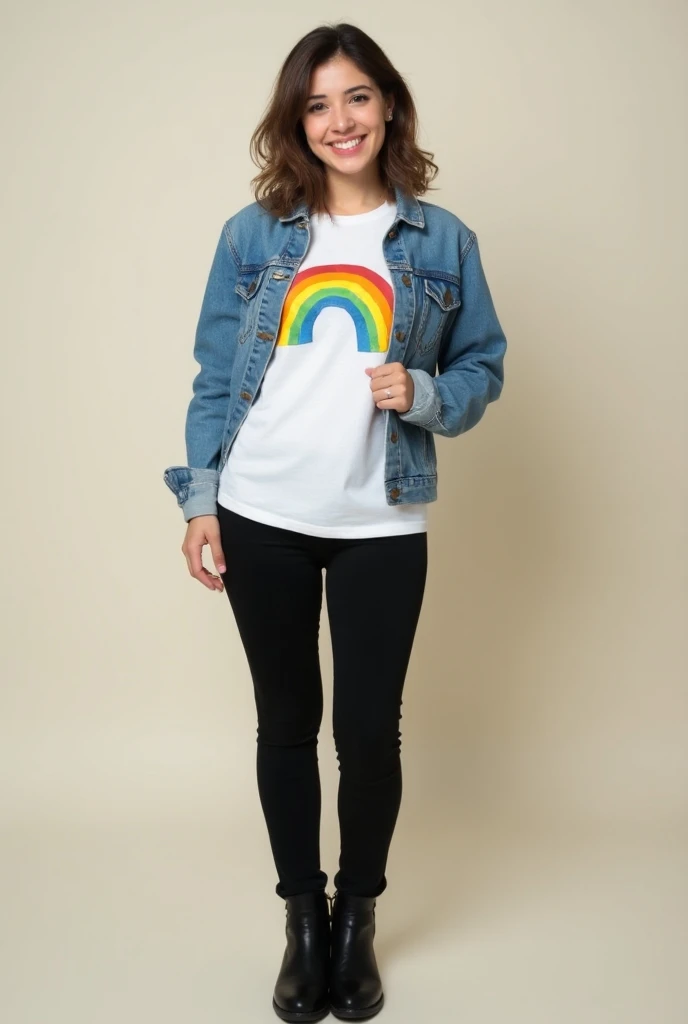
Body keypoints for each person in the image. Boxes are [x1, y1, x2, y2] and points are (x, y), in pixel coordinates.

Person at [163, 21, 507, 1023]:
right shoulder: (252, 233)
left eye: (355, 96)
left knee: (367, 730)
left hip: (380, 518)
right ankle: (300, 924)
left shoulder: (442, 241)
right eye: (316, 103)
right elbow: (214, 377)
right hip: (260, 506)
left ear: (387, 103)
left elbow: (483, 364)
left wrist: (428, 392)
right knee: (285, 723)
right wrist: (200, 501)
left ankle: (357, 920)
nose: (338, 119)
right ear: (295, 121)